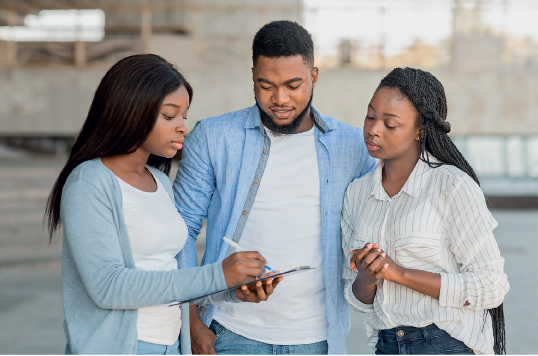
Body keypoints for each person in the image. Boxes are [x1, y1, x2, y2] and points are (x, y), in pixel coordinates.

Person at [45, 54, 282, 355]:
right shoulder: (89, 182)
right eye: (169, 116)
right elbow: (107, 286)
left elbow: (168, 272)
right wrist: (216, 274)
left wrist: (233, 290)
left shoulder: (162, 182)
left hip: (171, 345)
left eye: (184, 115)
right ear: (131, 111)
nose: (182, 126)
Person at [173, 20, 377, 355]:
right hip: (229, 332)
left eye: (293, 85)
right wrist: (191, 318)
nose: (279, 99)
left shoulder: (352, 145)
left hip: (316, 338)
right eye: (265, 85)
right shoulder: (213, 137)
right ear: (252, 75)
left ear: (314, 76)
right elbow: (179, 231)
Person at [341, 67, 510, 355]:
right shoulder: (357, 193)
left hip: (445, 343)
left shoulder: (452, 186)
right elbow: (357, 299)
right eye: (370, 115)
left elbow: (491, 286)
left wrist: (401, 274)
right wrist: (367, 277)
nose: (373, 129)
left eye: (390, 124)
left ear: (420, 129)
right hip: (387, 345)